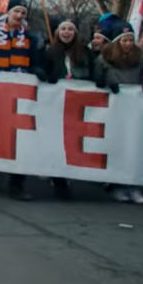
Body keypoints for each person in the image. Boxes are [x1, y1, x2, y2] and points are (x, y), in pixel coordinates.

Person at [0, 0, 48, 200]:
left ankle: (17, 184)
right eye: (16, 12)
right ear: (8, 13)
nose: (19, 16)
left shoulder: (31, 38)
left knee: (21, 140)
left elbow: (35, 60)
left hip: (21, 93)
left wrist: (38, 70)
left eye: (23, 13)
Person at [95, 22, 143, 203]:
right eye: (124, 40)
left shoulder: (139, 59)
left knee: (132, 146)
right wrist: (104, 82)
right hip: (112, 107)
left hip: (132, 108)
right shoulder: (104, 58)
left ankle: (133, 186)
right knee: (115, 146)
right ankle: (115, 185)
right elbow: (97, 78)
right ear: (117, 42)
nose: (128, 43)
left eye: (130, 40)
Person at [42, 17, 93, 199]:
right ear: (57, 32)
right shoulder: (49, 52)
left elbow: (93, 72)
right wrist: (46, 76)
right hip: (56, 103)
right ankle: (58, 179)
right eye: (63, 29)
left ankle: (68, 175)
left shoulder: (85, 52)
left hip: (77, 102)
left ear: (75, 33)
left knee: (73, 140)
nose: (66, 32)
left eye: (70, 29)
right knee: (57, 139)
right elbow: (42, 70)